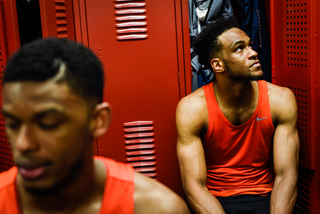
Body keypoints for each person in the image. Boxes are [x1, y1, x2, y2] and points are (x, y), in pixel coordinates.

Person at [0, 38, 190, 214]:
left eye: (47, 124)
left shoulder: (154, 209)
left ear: (98, 120)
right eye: (13, 123)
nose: (23, 144)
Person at [176, 16, 299, 214]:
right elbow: (195, 186)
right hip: (216, 202)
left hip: (267, 199)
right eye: (239, 48)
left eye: (250, 45)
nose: (253, 53)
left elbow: (286, 175)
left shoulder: (280, 99)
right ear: (218, 65)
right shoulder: (193, 108)